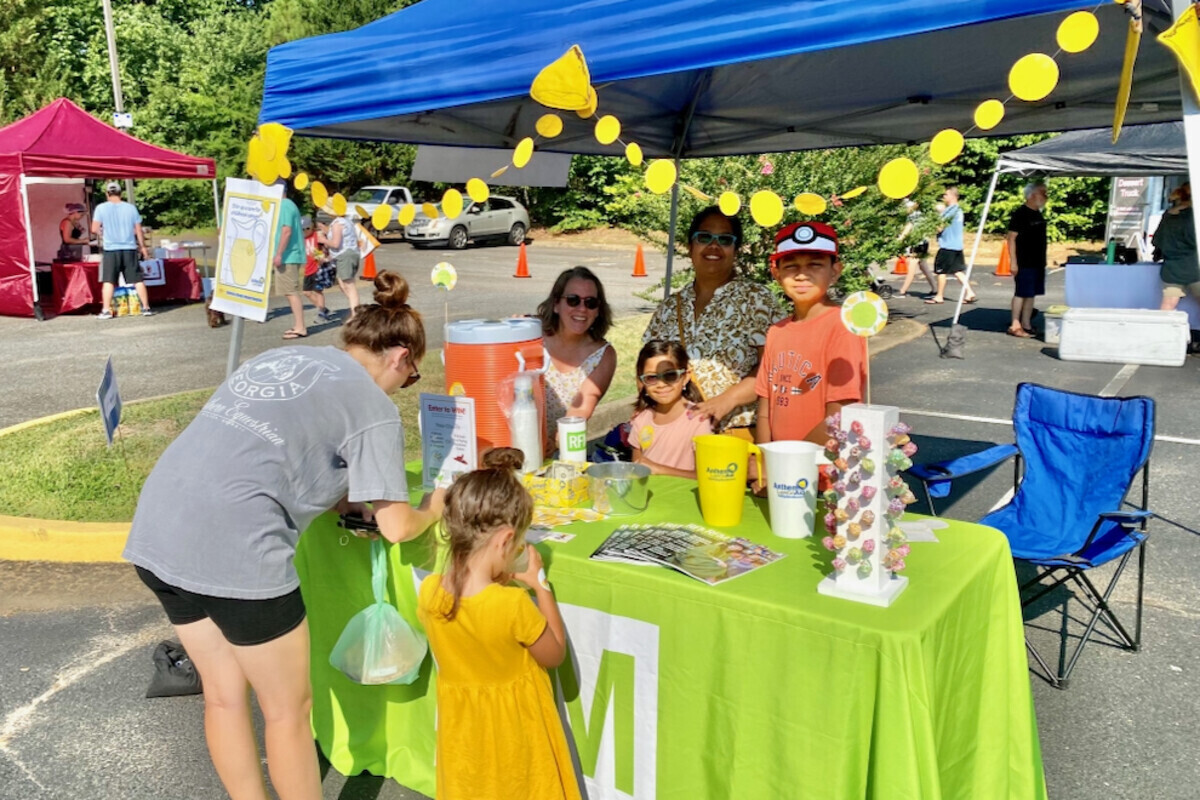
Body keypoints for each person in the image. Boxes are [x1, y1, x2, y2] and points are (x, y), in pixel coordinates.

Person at [123, 270, 444, 800]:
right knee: (288, 712)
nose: (402, 390)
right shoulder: (373, 408)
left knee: (224, 697)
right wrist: (439, 502)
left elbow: (272, 449)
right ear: (401, 358)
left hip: (158, 531)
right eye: (409, 380)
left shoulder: (283, 358)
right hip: (240, 550)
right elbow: (397, 525)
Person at [416, 467, 578, 800]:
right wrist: (540, 585)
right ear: (505, 539)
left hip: (463, 733)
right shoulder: (511, 604)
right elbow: (554, 653)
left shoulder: (430, 592)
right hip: (514, 734)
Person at [643, 207, 785, 436]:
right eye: (704, 237)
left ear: (736, 250)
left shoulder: (757, 300)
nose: (714, 246)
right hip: (675, 435)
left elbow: (774, 367)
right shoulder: (670, 307)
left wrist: (727, 400)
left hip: (735, 435)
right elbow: (646, 367)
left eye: (725, 240)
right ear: (690, 247)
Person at [756, 222, 865, 445]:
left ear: (834, 271)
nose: (802, 275)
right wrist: (765, 461)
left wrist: (791, 463)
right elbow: (765, 409)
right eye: (791, 266)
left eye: (815, 265)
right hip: (779, 470)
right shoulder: (776, 332)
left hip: (821, 470)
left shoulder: (843, 327)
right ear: (776, 273)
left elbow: (839, 414)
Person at [538, 266, 617, 438]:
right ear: (556, 304)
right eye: (573, 300)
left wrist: (553, 442)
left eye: (590, 303)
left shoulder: (603, 355)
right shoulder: (531, 336)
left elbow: (581, 407)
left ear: (598, 311)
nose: (582, 308)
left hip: (559, 446)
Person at [629, 339, 712, 478]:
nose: (661, 384)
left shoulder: (698, 419)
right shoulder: (641, 419)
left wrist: (659, 469)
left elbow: (705, 476)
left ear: (685, 377)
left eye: (670, 375)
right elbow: (636, 470)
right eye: (651, 378)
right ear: (642, 381)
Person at [91, 181, 153, 319]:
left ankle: (106, 310)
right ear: (121, 193)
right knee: (137, 279)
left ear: (107, 194)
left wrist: (103, 233)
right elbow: (138, 229)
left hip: (111, 249)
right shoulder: (131, 208)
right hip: (129, 248)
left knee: (109, 280)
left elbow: (94, 229)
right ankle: (146, 307)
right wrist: (143, 247)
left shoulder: (101, 208)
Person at [1006, 182, 1049, 338]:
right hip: (1024, 260)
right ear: (1032, 195)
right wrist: (1013, 262)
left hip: (1038, 261)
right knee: (1021, 293)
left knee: (1031, 294)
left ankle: (1026, 324)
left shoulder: (1038, 213)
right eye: (1043, 193)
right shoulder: (1020, 214)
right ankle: (1015, 324)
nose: (1046, 197)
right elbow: (1011, 238)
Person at [926, 186, 978, 305]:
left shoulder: (950, 211)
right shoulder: (958, 210)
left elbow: (940, 227)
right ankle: (969, 292)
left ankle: (939, 296)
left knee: (941, 271)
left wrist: (934, 220)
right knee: (957, 271)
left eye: (945, 195)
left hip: (947, 246)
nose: (944, 197)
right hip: (957, 245)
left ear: (952, 196)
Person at [1153, 182, 1198, 313]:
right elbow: (1193, 240)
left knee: (1167, 306)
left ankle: (1160, 332)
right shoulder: (1191, 216)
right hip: (1194, 269)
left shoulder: (1167, 215)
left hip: (1172, 271)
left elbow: (1157, 240)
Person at [275, 189, 308, 339]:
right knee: (290, 291)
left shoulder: (284, 205)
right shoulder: (289, 205)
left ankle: (300, 327)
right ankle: (298, 325)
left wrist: (279, 253)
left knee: (291, 291)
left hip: (288, 255)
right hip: (290, 254)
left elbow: (286, 231)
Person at [895, 199, 936, 298]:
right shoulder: (921, 213)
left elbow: (909, 227)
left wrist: (900, 238)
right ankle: (935, 289)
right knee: (923, 265)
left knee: (912, 265)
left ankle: (902, 291)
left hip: (919, 242)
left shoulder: (914, 215)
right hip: (923, 241)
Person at [327, 212, 361, 319]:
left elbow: (336, 243)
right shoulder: (347, 221)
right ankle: (356, 309)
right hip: (349, 254)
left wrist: (323, 240)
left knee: (349, 285)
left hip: (345, 255)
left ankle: (356, 315)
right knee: (343, 285)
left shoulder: (338, 223)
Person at [301, 217, 334, 323]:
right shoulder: (301, 239)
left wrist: (325, 256)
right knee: (306, 292)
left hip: (318, 268)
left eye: (307, 228)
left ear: (311, 227)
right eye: (302, 229)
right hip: (308, 268)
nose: (305, 231)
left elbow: (327, 243)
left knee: (318, 291)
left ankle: (321, 313)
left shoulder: (317, 235)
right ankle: (323, 309)